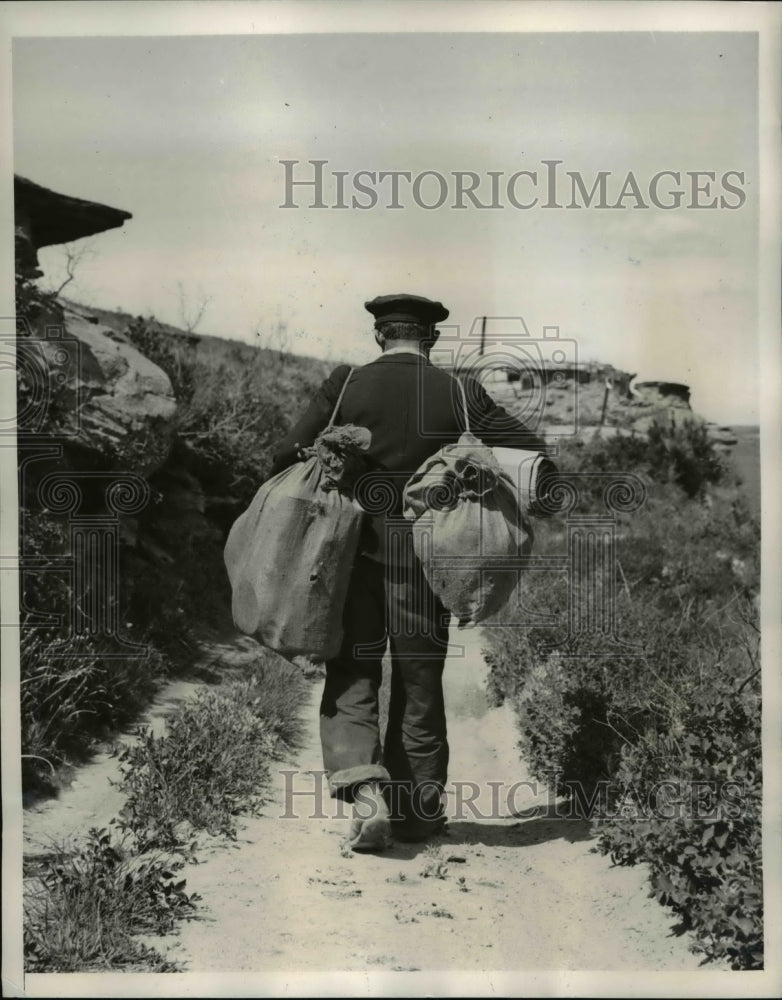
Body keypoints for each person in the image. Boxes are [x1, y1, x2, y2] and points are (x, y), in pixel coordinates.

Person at [270, 293, 548, 852]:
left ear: (379, 336)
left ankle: (364, 790)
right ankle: (418, 818)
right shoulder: (462, 395)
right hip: (428, 567)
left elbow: (282, 456)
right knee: (420, 686)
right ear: (432, 340)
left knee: (353, 673)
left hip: (350, 560)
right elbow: (531, 452)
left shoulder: (347, 384)